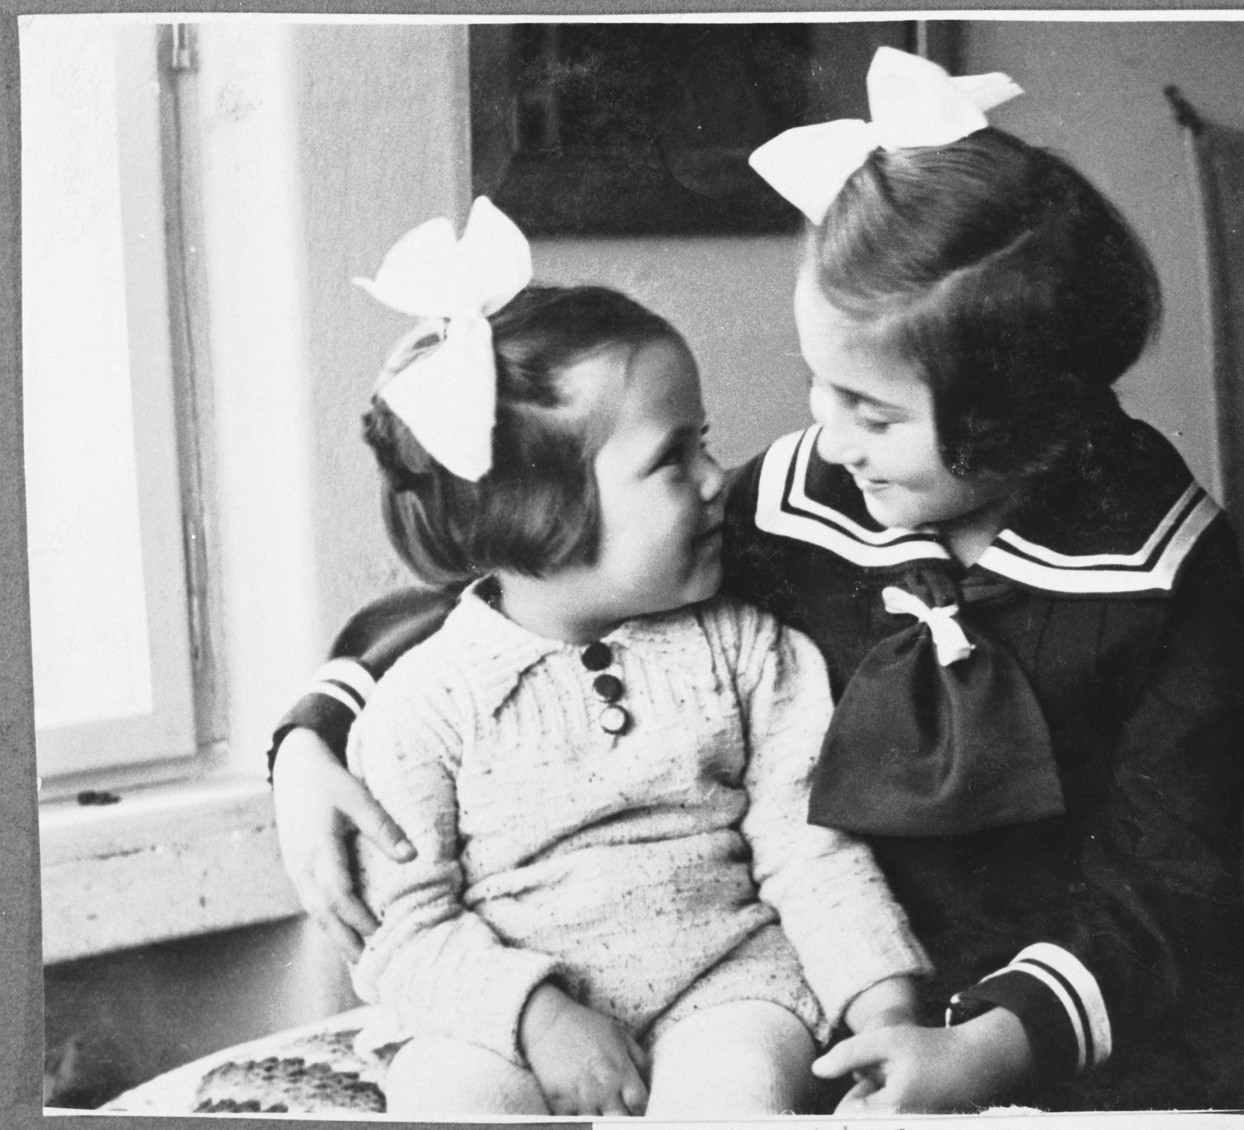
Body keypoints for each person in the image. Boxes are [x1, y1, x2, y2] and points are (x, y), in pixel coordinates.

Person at [270, 50, 1244, 1112]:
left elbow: (1167, 874)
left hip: (1044, 990)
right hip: (807, 961)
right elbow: (541, 586)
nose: (824, 432)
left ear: (1020, 423)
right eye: (816, 383)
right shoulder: (806, 495)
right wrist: (315, 728)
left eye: (872, 410)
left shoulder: (1165, 568)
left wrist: (996, 1048)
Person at [326, 198, 930, 1118]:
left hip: (727, 986)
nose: (714, 479)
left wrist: (881, 999)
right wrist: (534, 1017)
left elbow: (812, 851)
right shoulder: (425, 708)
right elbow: (402, 931)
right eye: (671, 459)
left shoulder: (748, 650)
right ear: (542, 512)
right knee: (447, 1098)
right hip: (509, 1023)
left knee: (740, 1093)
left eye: (707, 443)